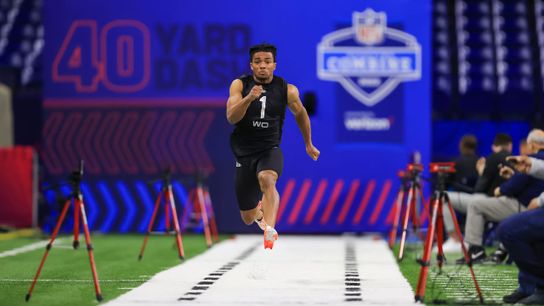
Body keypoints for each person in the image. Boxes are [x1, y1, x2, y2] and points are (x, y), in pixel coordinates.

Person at [226, 43, 320, 249]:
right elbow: (231, 117)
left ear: (274, 65)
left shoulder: (288, 90)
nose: (262, 66)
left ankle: (270, 231)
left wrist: (308, 143)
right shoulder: (239, 85)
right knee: (247, 218)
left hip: (270, 149)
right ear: (251, 65)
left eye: (267, 62)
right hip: (243, 153)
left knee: (267, 179)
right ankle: (260, 215)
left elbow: (301, 114)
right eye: (258, 62)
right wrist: (249, 98)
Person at [438, 133, 512, 252]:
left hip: (486, 202)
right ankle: (471, 245)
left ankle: (455, 239)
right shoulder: (515, 160)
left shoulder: (489, 160)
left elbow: (480, 189)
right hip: (504, 204)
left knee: (442, 197)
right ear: (510, 146)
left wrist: (482, 173)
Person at [499, 154, 544, 304]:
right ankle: (531, 288)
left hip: (524, 203)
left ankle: (539, 285)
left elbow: (502, 190)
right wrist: (531, 164)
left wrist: (540, 200)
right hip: (526, 204)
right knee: (529, 235)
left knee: (510, 230)